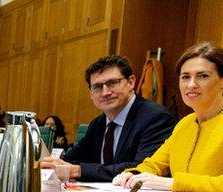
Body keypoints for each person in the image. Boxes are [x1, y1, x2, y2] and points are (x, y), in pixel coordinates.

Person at [41, 55, 174, 181]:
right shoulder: (98, 123)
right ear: (91, 94)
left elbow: (141, 168)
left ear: (131, 82)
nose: (105, 92)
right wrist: (48, 164)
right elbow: (71, 159)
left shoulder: (155, 118)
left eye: (112, 83)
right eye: (97, 87)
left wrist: (78, 171)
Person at [113, 42, 223, 192]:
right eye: (185, 77)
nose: (191, 84)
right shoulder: (184, 124)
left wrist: (173, 183)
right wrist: (133, 174)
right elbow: (155, 164)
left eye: (203, 76)